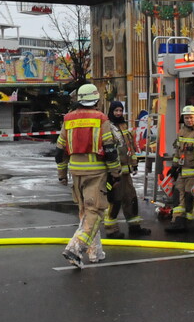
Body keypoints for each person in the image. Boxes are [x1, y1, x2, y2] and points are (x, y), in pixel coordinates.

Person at [55, 83, 122, 267]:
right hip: (96, 172)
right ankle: (75, 247)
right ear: (96, 100)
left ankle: (95, 253)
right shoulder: (101, 118)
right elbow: (109, 150)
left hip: (75, 172)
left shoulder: (68, 119)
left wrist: (62, 174)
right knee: (95, 211)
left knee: (86, 212)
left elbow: (59, 151)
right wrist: (116, 173)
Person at [103, 100, 151, 238]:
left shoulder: (123, 125)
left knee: (131, 198)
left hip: (126, 173)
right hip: (114, 172)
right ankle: (111, 230)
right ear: (111, 112)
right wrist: (112, 172)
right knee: (115, 200)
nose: (118, 113)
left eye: (120, 110)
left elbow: (129, 146)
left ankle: (134, 226)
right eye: (116, 111)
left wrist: (134, 163)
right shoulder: (107, 126)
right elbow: (109, 149)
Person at [166, 105, 194, 232]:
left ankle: (185, 220)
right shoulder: (182, 131)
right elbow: (178, 151)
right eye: (186, 118)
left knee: (188, 195)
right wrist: (174, 167)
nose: (189, 120)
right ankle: (177, 220)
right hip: (182, 170)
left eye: (191, 117)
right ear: (183, 119)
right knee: (177, 194)